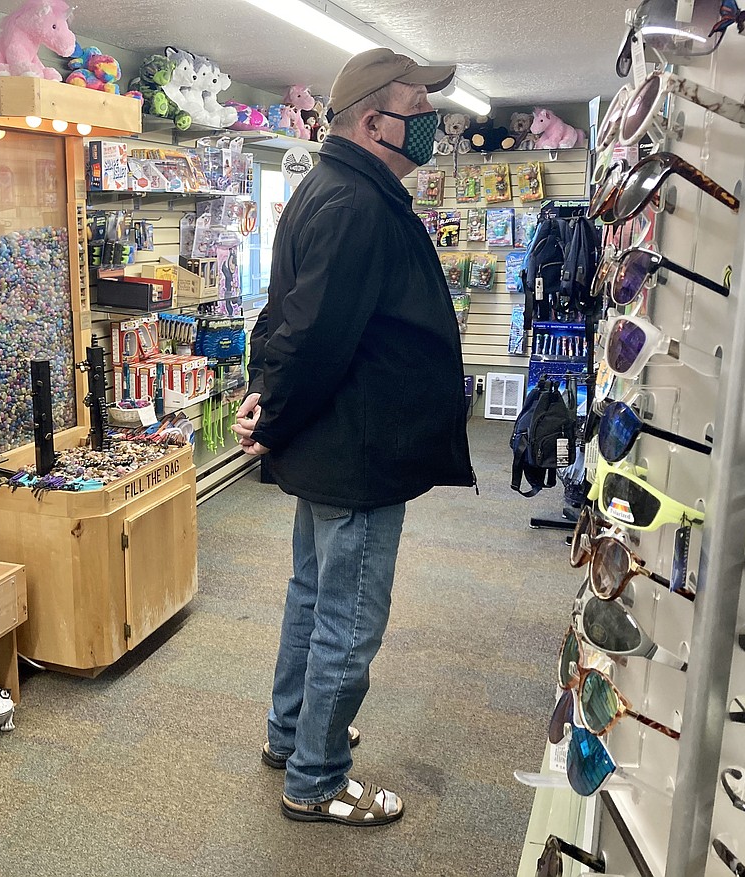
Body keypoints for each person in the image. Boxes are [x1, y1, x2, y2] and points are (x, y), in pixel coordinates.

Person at [233, 48, 475, 827]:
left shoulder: (331, 188)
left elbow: (286, 317)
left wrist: (264, 401)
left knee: (314, 598)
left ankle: (291, 736)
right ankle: (318, 776)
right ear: (375, 121)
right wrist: (268, 413)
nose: (433, 122)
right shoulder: (356, 205)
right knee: (347, 617)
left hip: (337, 445)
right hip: (358, 453)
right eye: (419, 107)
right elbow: (311, 336)